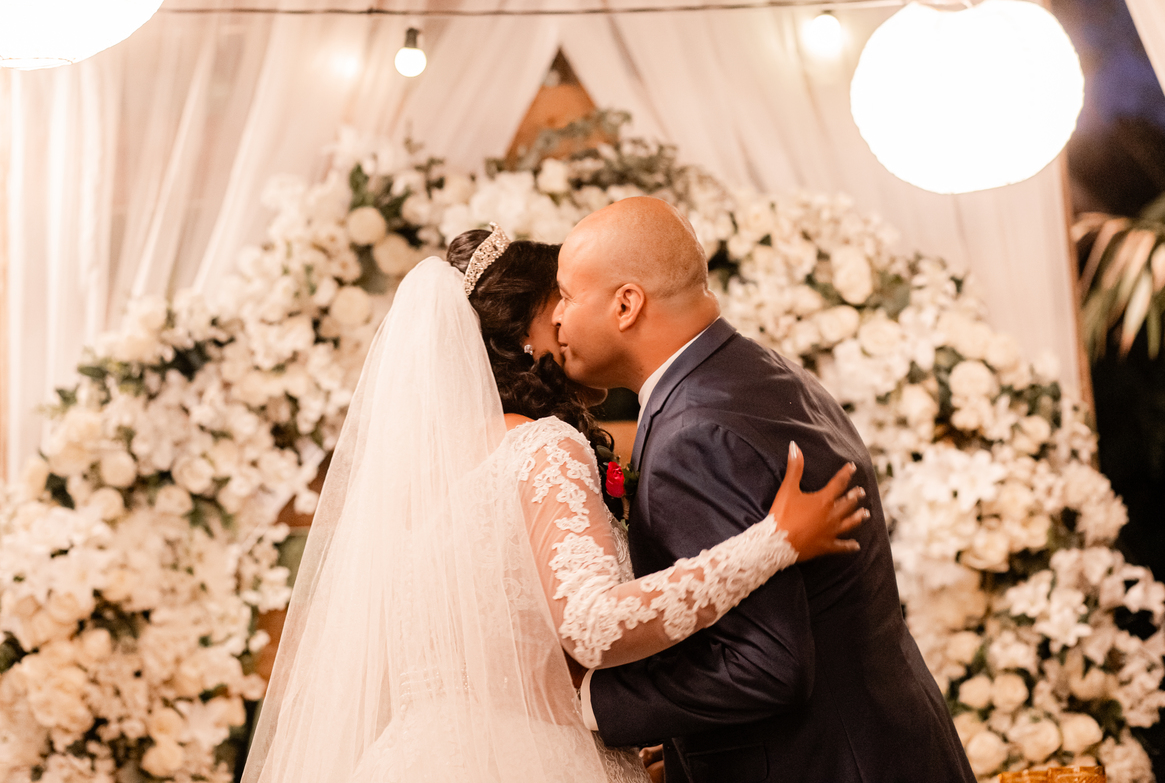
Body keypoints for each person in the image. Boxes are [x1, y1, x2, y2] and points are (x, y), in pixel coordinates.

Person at [240, 223, 866, 783]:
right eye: (557, 301)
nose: (567, 321)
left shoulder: (437, 474)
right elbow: (593, 624)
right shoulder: (542, 446)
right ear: (522, 334)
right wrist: (773, 541)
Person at [554, 197, 976, 783]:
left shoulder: (695, 432)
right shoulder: (761, 374)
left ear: (626, 304)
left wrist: (593, 701)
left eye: (568, 297)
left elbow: (763, 666)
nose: (557, 320)